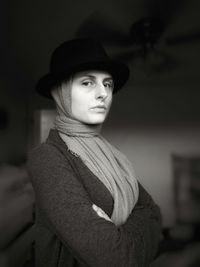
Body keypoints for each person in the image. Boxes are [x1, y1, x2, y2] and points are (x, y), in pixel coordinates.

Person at [27, 38, 162, 267]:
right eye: (87, 83)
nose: (103, 94)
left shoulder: (111, 154)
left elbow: (154, 213)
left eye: (107, 84)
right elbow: (117, 259)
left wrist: (117, 231)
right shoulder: (48, 157)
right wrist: (134, 226)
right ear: (59, 91)